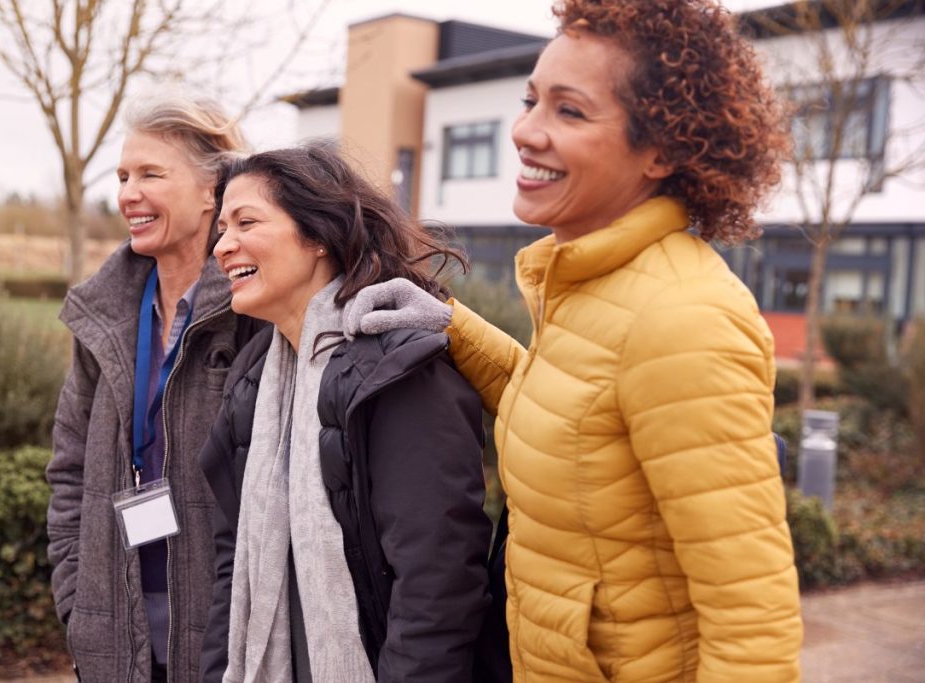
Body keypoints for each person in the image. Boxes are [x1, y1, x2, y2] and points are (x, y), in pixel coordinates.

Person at [345, 0, 804, 680]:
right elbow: (570, 420)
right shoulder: (592, 284)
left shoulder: (683, 317)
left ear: (663, 150)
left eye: (570, 111)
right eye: (532, 101)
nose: (526, 131)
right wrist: (450, 322)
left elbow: (752, 622)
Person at [198, 144, 493, 683]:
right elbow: (230, 571)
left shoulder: (402, 372)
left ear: (316, 237)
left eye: (246, 222)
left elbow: (437, 585)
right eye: (221, 228)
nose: (223, 245)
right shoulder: (254, 380)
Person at [46, 92, 265, 682]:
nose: (127, 195)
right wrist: (77, 601)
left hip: (224, 641)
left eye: (150, 174)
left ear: (210, 191)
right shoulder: (103, 318)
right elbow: (68, 470)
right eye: (122, 176)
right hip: (114, 637)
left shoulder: (258, 313)